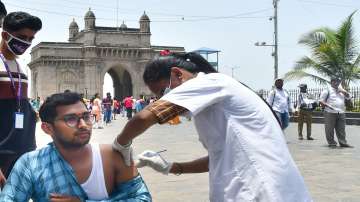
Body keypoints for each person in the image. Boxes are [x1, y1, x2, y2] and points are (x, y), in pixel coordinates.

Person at [112, 52, 312, 202]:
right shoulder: (215, 97)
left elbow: (144, 117)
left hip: (260, 191)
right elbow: (219, 157)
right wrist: (171, 167)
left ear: (178, 74)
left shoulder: (209, 82)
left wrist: (120, 145)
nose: (164, 99)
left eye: (163, 92)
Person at [0, 92, 151, 201]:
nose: (84, 125)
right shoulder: (30, 164)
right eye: (71, 119)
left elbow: (142, 198)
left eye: (86, 116)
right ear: (47, 128)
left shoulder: (113, 156)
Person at [0, 11, 42, 186]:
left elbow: (18, 103)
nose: (26, 42)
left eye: (31, 39)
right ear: (4, 35)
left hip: (24, 152)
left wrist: (32, 113)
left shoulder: (20, 67)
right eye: (22, 37)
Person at [319, 77, 353, 148]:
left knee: (341, 129)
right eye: (335, 81)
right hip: (330, 112)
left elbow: (349, 97)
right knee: (329, 129)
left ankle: (343, 142)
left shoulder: (341, 90)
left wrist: (343, 91)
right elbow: (321, 101)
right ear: (331, 82)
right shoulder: (327, 90)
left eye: (338, 81)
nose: (337, 83)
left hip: (341, 112)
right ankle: (332, 143)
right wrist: (328, 105)